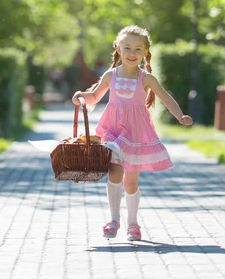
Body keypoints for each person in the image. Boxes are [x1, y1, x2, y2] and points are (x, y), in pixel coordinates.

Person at [72, 25, 193, 241]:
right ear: (118, 48)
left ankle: (133, 223)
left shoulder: (146, 79)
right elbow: (95, 97)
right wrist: (81, 96)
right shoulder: (111, 75)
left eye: (138, 49)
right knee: (115, 171)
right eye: (127, 47)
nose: (132, 53)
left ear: (146, 53)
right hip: (112, 131)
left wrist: (180, 116)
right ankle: (114, 219)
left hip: (136, 134)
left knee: (131, 182)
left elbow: (166, 98)